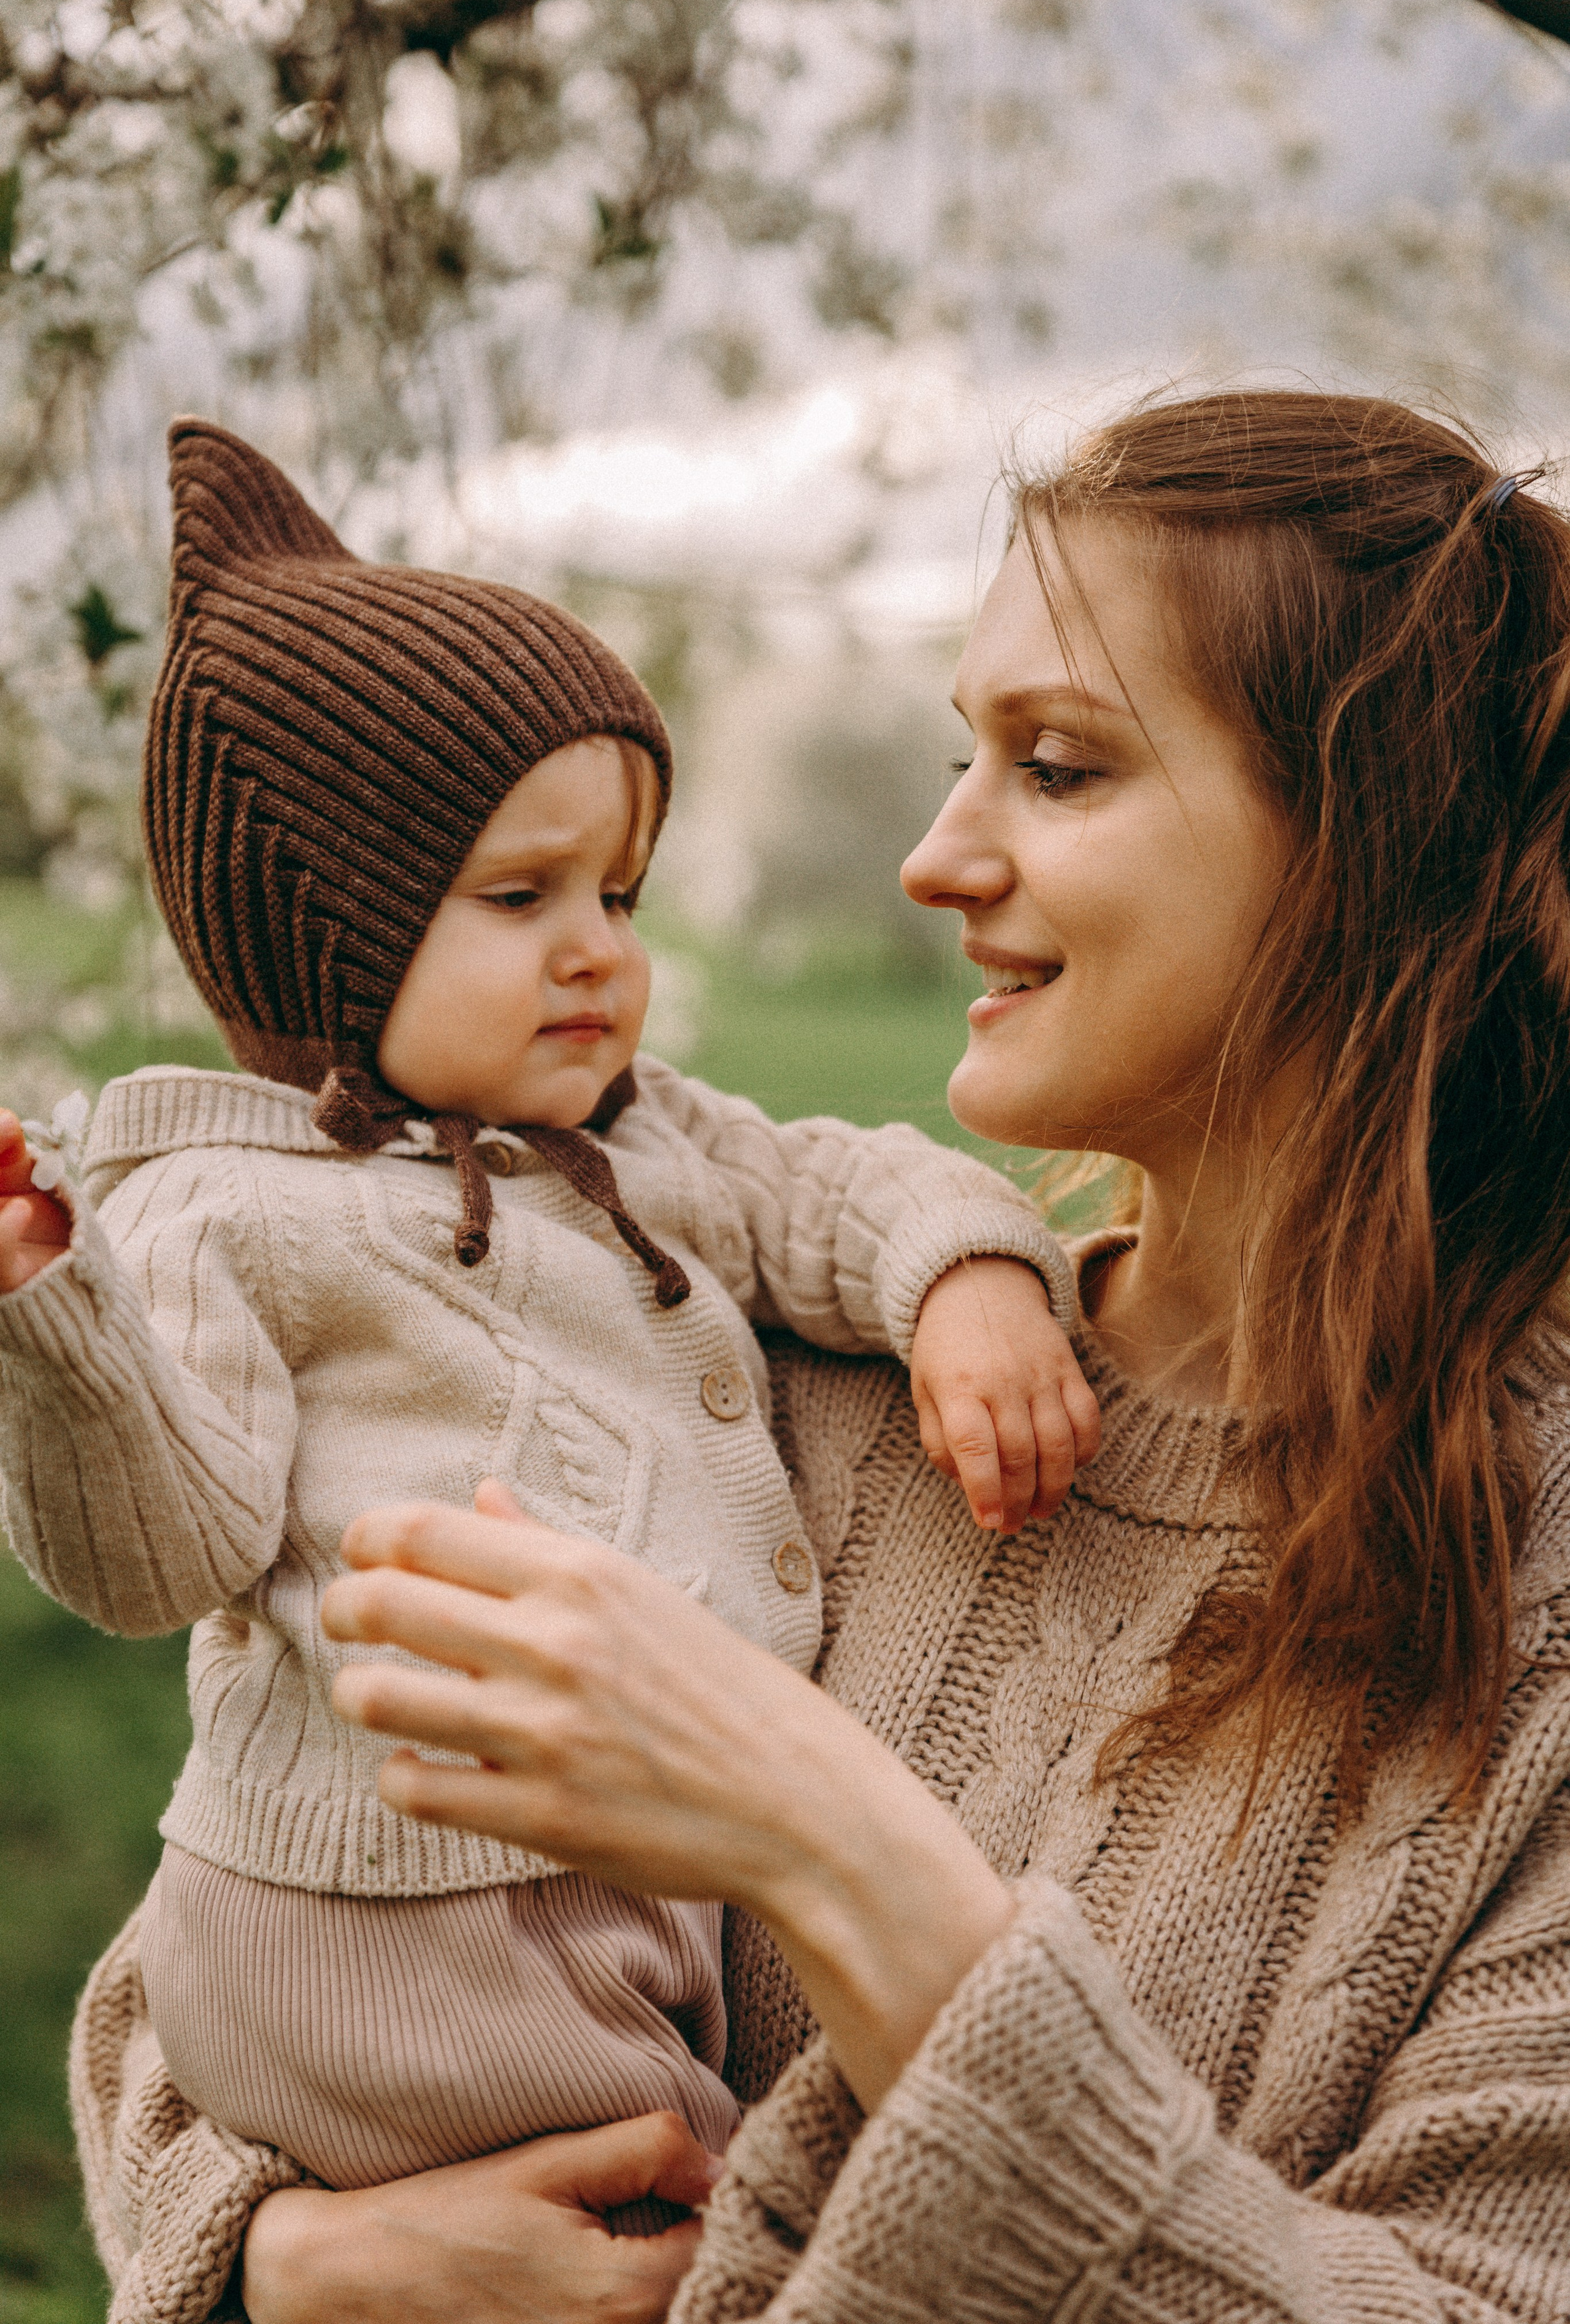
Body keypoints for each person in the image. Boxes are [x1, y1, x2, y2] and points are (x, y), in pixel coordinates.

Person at [64, 388, 1570, 2324]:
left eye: (1061, 768)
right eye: (967, 754)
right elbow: (225, 1953)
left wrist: (836, 1848)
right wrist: (290, 2266)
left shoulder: (1541, 1612)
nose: (936, 859)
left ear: (1371, 848)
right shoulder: (748, 1366)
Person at [0, 425, 1095, 2222]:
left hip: (611, 1900)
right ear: (324, 944)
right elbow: (156, 1553)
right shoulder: (226, 1207)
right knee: (717, 2214)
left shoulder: (641, 1139)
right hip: (389, 1913)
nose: (597, 950)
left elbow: (836, 1188)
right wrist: (57, 1318)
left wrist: (967, 1278)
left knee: (679, 2203)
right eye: (521, 899)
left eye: (620, 894)